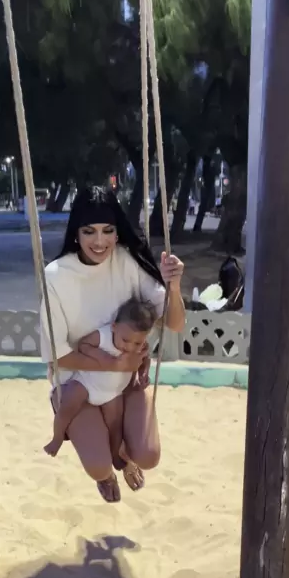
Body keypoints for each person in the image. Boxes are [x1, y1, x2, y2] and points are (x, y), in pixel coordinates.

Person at [40, 186, 186, 503]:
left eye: (108, 230)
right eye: (89, 231)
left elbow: (174, 323)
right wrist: (114, 364)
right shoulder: (56, 276)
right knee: (99, 465)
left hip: (126, 381)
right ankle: (106, 473)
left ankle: (126, 452)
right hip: (78, 381)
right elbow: (56, 357)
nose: (100, 241)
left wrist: (174, 287)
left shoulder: (126, 261)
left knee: (147, 456)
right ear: (76, 233)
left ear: (117, 232)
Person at [44, 296, 157, 464]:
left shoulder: (141, 347)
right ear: (114, 327)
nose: (130, 346)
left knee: (115, 425)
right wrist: (105, 359)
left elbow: (144, 361)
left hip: (112, 392)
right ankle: (57, 437)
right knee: (68, 403)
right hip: (87, 382)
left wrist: (143, 373)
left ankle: (115, 453)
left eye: (137, 343)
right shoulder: (103, 336)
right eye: (125, 340)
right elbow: (83, 345)